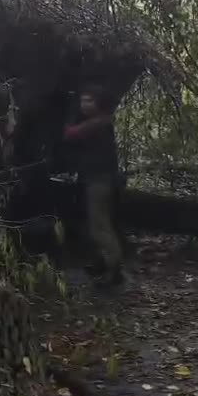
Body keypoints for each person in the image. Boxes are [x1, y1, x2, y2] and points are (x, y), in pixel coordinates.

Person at [63, 85, 123, 286]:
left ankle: (114, 270)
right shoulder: (98, 121)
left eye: (89, 100)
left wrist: (70, 114)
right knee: (95, 224)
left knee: (100, 227)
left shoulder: (98, 123)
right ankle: (101, 263)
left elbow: (70, 134)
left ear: (99, 103)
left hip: (100, 181)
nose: (84, 104)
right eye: (82, 100)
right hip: (96, 179)